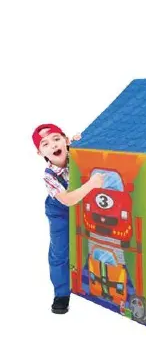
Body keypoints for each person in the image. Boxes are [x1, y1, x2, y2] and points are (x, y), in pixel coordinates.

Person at [33, 123, 104, 314]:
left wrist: (84, 141)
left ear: (65, 140)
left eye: (56, 139)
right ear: (41, 153)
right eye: (45, 144)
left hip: (84, 205)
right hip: (60, 210)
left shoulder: (76, 154)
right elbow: (68, 200)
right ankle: (61, 294)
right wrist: (92, 184)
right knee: (60, 251)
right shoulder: (49, 176)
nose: (53, 145)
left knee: (91, 242)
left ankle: (91, 282)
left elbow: (92, 149)